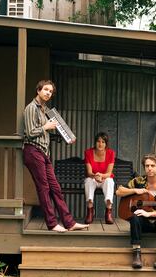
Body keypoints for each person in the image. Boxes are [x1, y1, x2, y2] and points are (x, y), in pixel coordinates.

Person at [23, 79, 88, 233]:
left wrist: (68, 137)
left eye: (51, 91)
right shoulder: (31, 108)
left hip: (44, 153)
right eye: (46, 89)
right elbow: (30, 132)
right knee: (44, 188)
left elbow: (48, 131)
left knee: (55, 188)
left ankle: (69, 222)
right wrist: (46, 127)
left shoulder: (45, 110)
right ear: (38, 90)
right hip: (33, 151)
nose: (48, 93)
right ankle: (52, 224)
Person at [116, 154, 156, 269]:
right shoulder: (138, 181)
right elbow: (119, 191)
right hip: (144, 223)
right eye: (147, 166)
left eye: (152, 165)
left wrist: (149, 213)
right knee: (135, 217)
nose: (149, 168)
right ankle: (136, 253)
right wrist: (135, 190)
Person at [84, 132, 116, 224]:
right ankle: (90, 211)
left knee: (110, 181)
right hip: (93, 178)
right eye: (98, 141)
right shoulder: (88, 153)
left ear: (106, 144)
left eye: (103, 142)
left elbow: (109, 173)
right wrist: (95, 176)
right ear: (95, 142)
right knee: (88, 181)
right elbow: (89, 172)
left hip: (105, 178)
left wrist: (101, 176)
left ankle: (108, 212)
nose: (100, 144)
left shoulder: (111, 153)